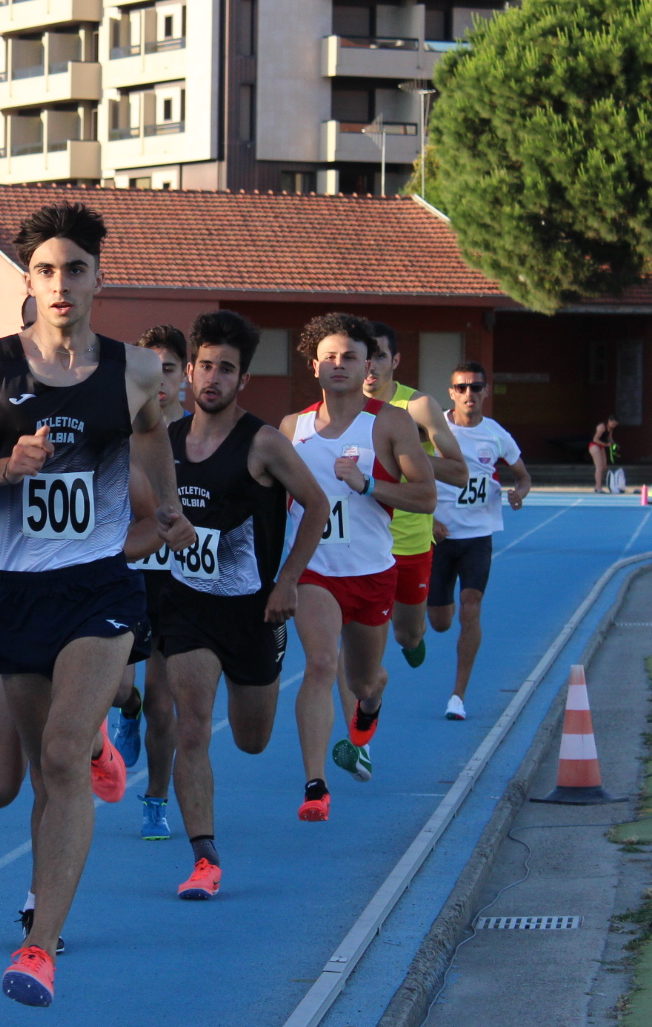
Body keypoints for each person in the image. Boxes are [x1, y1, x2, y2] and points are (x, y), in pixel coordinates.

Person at [0, 201, 192, 1007]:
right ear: (30, 281)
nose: (60, 282)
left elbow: (153, 438)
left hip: (97, 585)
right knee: (17, 780)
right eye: (45, 270)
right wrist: (1, 474)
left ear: (98, 278)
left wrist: (171, 509)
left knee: (64, 754)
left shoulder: (134, 369)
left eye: (75, 268)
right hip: (14, 592)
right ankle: (95, 752)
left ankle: (40, 944)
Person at [158, 311, 328, 897]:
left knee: (251, 739)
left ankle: (260, 671)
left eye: (225, 369)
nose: (212, 378)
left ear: (243, 379)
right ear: (190, 371)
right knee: (192, 728)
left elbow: (317, 505)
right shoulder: (166, 442)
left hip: (254, 612)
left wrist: (288, 581)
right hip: (186, 608)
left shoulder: (264, 443)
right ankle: (204, 858)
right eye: (205, 366)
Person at [282, 312, 435, 815]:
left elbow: (426, 497)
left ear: (368, 365)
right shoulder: (293, 428)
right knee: (321, 665)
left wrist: (368, 485)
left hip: (371, 573)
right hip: (314, 572)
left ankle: (370, 706)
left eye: (350, 356)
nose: (339, 364)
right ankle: (315, 786)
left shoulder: (389, 422)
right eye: (329, 357)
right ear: (314, 366)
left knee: (363, 681)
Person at [357, 320, 466, 680]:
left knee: (408, 634)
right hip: (359, 541)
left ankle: (411, 639)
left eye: (379, 356)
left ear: (395, 360)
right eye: (364, 356)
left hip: (408, 542)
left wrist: (407, 454)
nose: (370, 365)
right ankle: (363, 703)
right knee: (356, 646)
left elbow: (459, 473)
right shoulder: (342, 406)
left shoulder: (418, 406)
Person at [116, 322, 189, 840]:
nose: (159, 380)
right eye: (150, 369)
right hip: (123, 575)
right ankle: (129, 709)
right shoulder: (117, 432)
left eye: (169, 369)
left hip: (176, 584)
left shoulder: (200, 436)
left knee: (166, 705)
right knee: (119, 689)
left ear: (185, 374)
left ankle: (156, 798)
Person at [431, 362, 531, 721]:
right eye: (461, 388)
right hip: (440, 537)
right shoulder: (434, 430)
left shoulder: (497, 435)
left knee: (471, 606)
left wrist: (519, 493)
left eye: (475, 387)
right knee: (440, 622)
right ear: (451, 392)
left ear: (486, 391)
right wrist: (428, 518)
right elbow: (408, 473)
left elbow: (523, 476)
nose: (468, 394)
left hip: (477, 536)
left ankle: (457, 696)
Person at [589, 416, 619, 494]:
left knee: (604, 467)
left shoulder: (610, 428)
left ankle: (598, 485)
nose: (613, 425)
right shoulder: (602, 427)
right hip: (594, 446)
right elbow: (595, 439)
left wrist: (614, 444)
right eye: (613, 423)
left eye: (615, 424)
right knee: (599, 467)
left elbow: (609, 438)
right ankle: (598, 487)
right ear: (609, 421)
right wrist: (605, 444)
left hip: (601, 446)